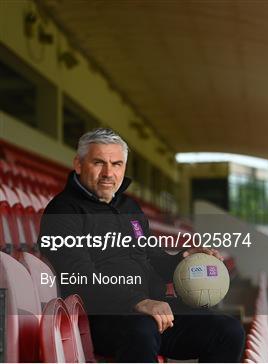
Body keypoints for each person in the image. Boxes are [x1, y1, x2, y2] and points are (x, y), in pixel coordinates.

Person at [38, 128, 244, 362]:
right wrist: (137, 302)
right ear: (78, 164)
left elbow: (153, 258)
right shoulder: (63, 211)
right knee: (141, 331)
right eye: (99, 162)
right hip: (100, 316)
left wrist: (183, 258)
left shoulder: (130, 208)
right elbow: (78, 276)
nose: (108, 172)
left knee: (228, 331)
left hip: (149, 309)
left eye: (116, 164)